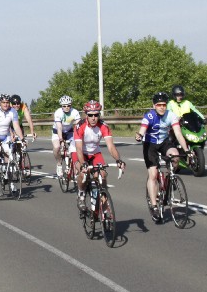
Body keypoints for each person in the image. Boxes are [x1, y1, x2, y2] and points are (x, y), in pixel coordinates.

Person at [135, 92, 191, 221]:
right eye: (159, 105)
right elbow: (142, 130)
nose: (162, 107)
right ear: (154, 105)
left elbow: (178, 134)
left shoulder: (171, 115)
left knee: (175, 156)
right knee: (153, 174)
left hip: (164, 142)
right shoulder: (149, 116)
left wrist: (187, 151)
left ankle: (170, 177)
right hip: (150, 144)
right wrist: (139, 136)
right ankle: (154, 206)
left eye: (164, 105)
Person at [72, 100, 125, 207]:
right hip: (79, 152)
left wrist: (118, 160)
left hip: (95, 152)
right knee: (83, 173)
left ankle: (104, 203)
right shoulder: (80, 126)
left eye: (96, 115)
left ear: (99, 115)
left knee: (102, 174)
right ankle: (81, 193)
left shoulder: (103, 126)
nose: (93, 118)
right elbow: (78, 148)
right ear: (86, 115)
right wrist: (83, 164)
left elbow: (111, 146)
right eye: (90, 115)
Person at [52, 95, 81, 178]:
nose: (66, 107)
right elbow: (59, 127)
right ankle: (59, 164)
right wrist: (61, 139)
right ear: (61, 106)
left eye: (68, 105)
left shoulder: (75, 112)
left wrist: (80, 137)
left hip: (69, 131)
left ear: (71, 105)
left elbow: (79, 125)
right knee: (57, 147)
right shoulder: (58, 112)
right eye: (64, 106)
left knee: (75, 148)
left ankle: (74, 167)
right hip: (57, 132)